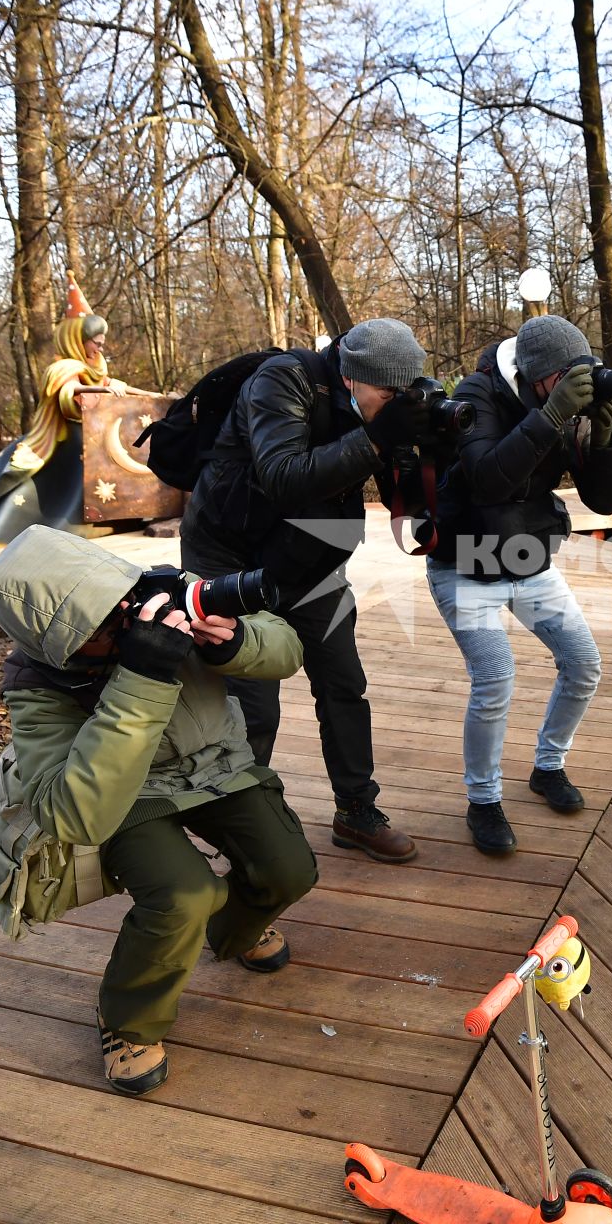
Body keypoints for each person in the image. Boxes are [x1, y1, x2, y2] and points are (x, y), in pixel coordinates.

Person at [0, 526, 317, 1096]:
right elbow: (75, 814)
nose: (126, 625)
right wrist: (142, 676)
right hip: (128, 794)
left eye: (121, 610)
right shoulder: (38, 684)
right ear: (60, 644)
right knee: (184, 896)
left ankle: (232, 930)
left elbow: (286, 649)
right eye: (103, 629)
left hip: (216, 764)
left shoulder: (162, 594)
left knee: (290, 869)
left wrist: (233, 643)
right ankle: (128, 1020)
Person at [182, 319, 431, 864]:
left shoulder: (373, 408)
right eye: (386, 394)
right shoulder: (282, 382)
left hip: (307, 556)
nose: (393, 405)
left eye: (403, 395)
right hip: (230, 557)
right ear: (349, 377)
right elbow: (284, 475)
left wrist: (418, 447)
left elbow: (404, 495)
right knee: (253, 709)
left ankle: (356, 811)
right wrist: (375, 438)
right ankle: (248, 843)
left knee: (344, 683)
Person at [426, 315, 612, 853]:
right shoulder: (477, 396)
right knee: (496, 678)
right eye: (565, 378)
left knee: (583, 664)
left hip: (527, 560)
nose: (574, 387)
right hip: (464, 566)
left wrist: (603, 438)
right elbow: (489, 479)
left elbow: (605, 502)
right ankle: (483, 800)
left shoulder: (562, 404)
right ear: (539, 377)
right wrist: (552, 416)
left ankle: (548, 766)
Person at [0, 274, 157, 546]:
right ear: (76, 339)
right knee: (56, 488)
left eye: (102, 342)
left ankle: (113, 519)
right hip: (65, 440)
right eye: (96, 341)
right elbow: (68, 394)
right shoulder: (63, 369)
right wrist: (102, 391)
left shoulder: (96, 368)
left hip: (95, 440)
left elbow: (122, 388)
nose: (100, 347)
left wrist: (155, 395)